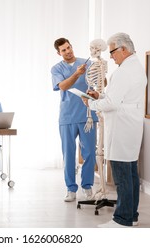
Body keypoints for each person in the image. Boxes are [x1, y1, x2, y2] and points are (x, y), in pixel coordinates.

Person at [82, 32, 147, 227]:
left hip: (122, 128)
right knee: (131, 174)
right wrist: (99, 95)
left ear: (124, 49)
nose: (110, 56)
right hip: (129, 126)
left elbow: (112, 103)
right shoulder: (134, 66)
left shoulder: (125, 71)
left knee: (122, 177)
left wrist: (90, 103)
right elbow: (118, 97)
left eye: (112, 52)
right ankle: (131, 216)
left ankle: (122, 220)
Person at [51, 38, 98, 202]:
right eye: (63, 50)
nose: (68, 51)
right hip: (67, 116)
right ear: (59, 53)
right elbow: (62, 86)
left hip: (87, 115)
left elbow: (98, 84)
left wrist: (101, 76)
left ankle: (87, 186)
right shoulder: (56, 68)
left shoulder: (88, 63)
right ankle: (71, 189)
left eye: (69, 47)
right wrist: (77, 73)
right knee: (69, 154)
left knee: (90, 153)